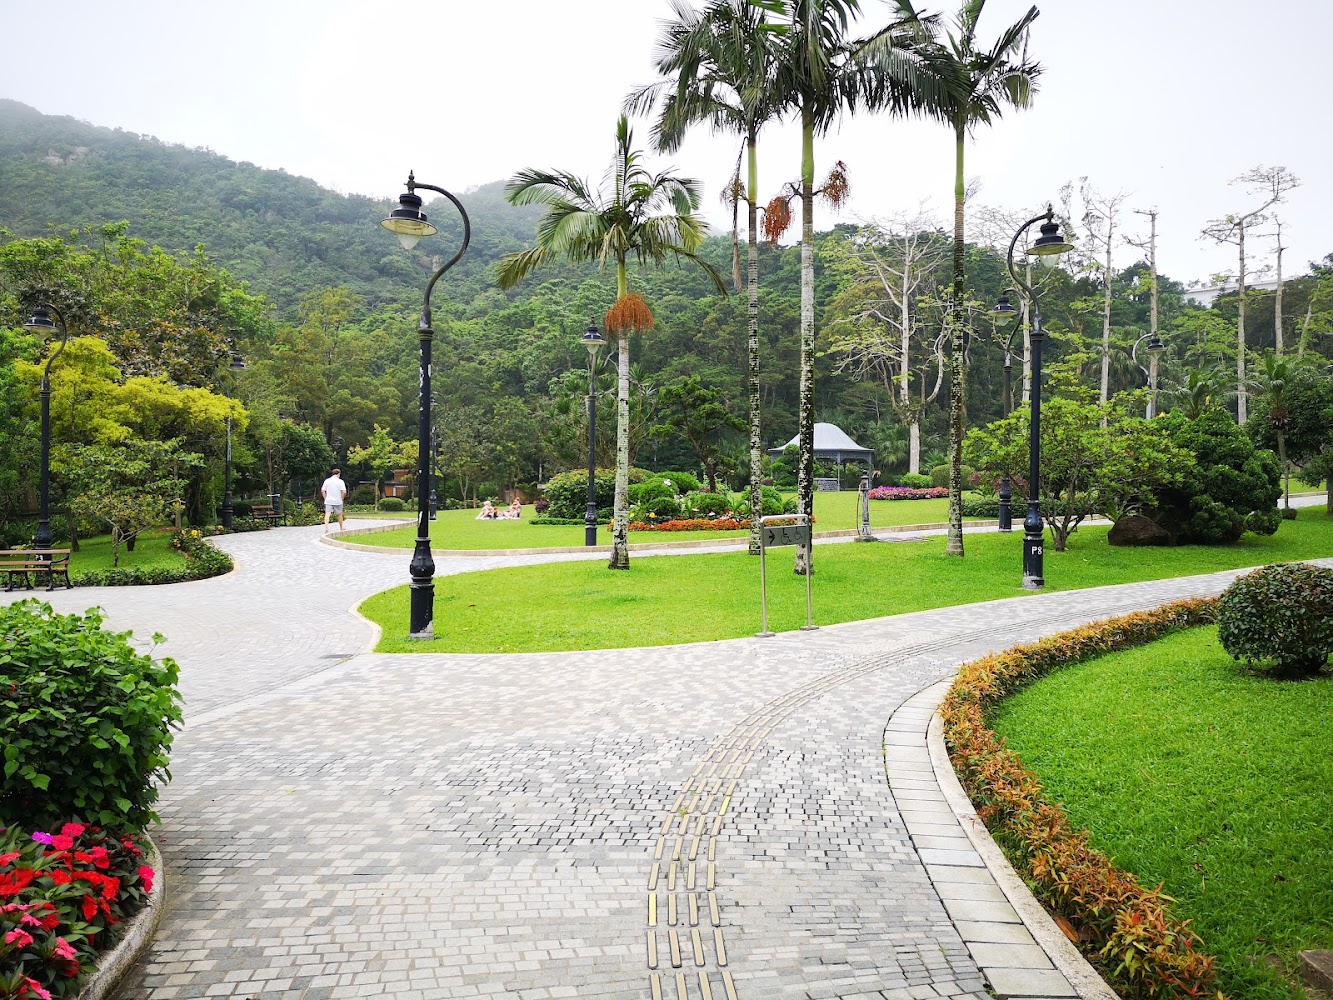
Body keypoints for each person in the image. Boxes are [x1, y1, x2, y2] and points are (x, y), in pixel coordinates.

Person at [321, 468, 348, 532]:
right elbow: (344, 492)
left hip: (328, 500)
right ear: (338, 474)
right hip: (338, 500)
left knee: (327, 514)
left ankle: (326, 528)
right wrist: (342, 498)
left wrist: (325, 498)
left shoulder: (327, 481)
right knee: (339, 514)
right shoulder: (340, 481)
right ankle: (341, 527)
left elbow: (323, 490)